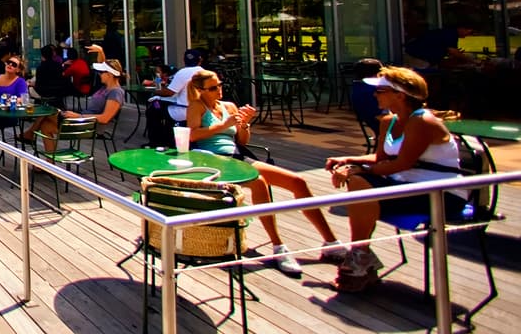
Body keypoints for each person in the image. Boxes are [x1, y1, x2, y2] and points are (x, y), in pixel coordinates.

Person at [185, 69, 345, 276]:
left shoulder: (229, 106)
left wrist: (244, 125)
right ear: (201, 90)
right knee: (259, 182)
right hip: (213, 159)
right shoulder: (197, 106)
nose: (219, 90)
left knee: (298, 181)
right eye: (213, 87)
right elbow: (193, 136)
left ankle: (330, 241)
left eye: (220, 85)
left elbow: (242, 141)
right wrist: (223, 125)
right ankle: (279, 247)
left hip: (238, 155)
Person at [324, 66, 470, 292]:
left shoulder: (422, 121)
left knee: (359, 183)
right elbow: (381, 158)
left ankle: (360, 255)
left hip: (440, 192)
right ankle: (361, 254)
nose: (374, 95)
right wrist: (347, 159)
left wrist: (356, 169)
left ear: (399, 95)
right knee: (358, 183)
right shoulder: (388, 121)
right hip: (405, 185)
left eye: (380, 90)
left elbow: (403, 163)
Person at [25, 59, 126, 152]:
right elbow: (103, 61)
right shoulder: (105, 88)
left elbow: (105, 118)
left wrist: (78, 116)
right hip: (82, 120)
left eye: (101, 72)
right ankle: (49, 162)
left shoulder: (115, 92)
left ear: (109, 74)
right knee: (46, 124)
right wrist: (99, 51)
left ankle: (29, 134)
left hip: (90, 126)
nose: (99, 74)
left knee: (48, 112)